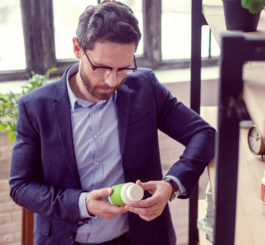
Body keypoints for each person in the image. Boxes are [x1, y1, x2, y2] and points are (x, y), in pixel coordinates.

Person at [9, 1, 216, 245]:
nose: (112, 80)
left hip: (140, 238)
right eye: (102, 67)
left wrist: (171, 185)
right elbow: (21, 186)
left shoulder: (145, 87)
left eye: (123, 68)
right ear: (78, 48)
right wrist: (83, 203)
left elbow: (203, 133)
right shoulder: (35, 107)